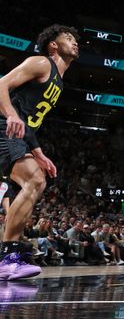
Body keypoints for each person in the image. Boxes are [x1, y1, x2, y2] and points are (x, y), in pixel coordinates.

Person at [0, 25, 78, 280]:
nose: (75, 42)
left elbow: (30, 121)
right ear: (53, 45)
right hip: (4, 127)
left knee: (20, 198)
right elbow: (1, 84)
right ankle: (7, 258)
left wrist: (39, 153)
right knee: (35, 180)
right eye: (68, 38)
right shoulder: (42, 63)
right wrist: (11, 115)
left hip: (20, 136)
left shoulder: (59, 83)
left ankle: (10, 258)